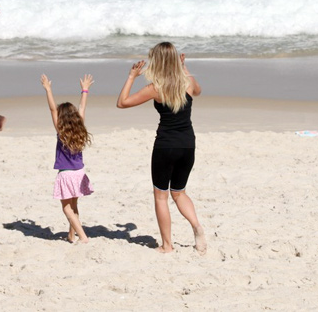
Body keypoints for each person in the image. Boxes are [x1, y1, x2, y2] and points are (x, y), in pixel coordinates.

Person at [116, 42, 206, 255]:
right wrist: (184, 68)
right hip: (188, 144)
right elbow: (199, 91)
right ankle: (196, 226)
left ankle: (167, 245)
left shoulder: (155, 88)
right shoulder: (187, 83)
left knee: (161, 196)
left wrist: (131, 77)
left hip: (165, 145)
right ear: (176, 59)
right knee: (179, 192)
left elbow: (122, 103)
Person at [41, 73, 95, 244]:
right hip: (80, 173)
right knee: (74, 206)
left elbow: (52, 109)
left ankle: (83, 236)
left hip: (66, 175)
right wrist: (85, 90)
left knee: (66, 208)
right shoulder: (80, 129)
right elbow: (82, 108)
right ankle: (71, 235)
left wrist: (48, 89)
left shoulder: (61, 131)